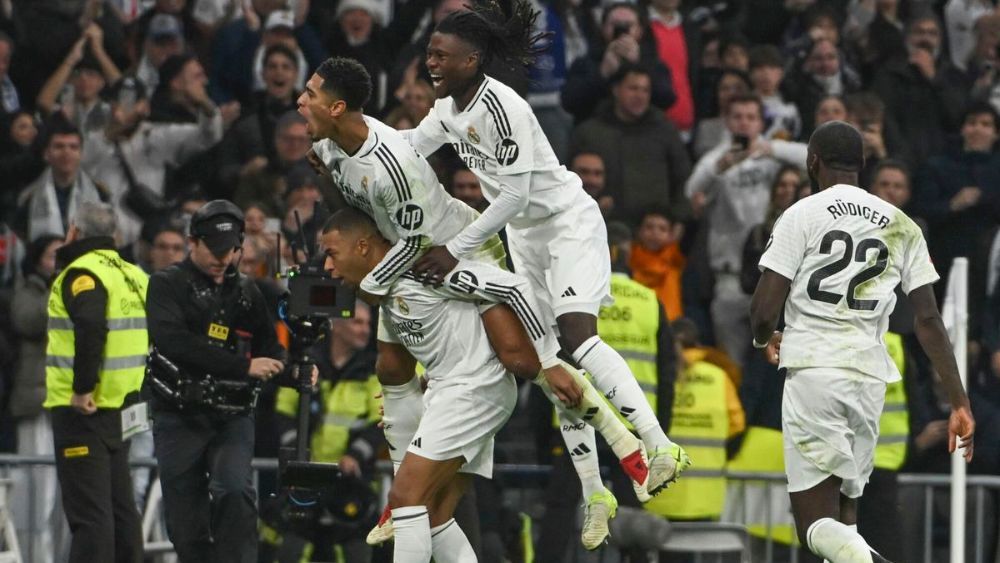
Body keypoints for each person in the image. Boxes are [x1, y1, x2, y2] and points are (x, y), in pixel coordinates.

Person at [298, 57, 651, 548]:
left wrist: (376, 281)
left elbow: (421, 241)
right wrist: (325, 177)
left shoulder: (395, 169)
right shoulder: (332, 147)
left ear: (337, 106)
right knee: (392, 369)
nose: (300, 100)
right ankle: (403, 493)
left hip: (452, 249)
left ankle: (625, 442)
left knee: (529, 358)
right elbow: (355, 211)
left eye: (310, 94)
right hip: (411, 263)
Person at [402, 0, 689, 502]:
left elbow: (512, 196)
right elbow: (406, 148)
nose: (431, 63)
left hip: (565, 222)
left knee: (578, 337)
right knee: (549, 359)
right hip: (525, 236)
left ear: (470, 61)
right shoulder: (447, 111)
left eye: (440, 55)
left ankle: (661, 444)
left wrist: (455, 249)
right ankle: (596, 490)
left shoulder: (504, 106)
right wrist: (350, 145)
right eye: (429, 53)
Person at [321, 207, 632, 562]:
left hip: (473, 391)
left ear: (362, 246)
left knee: (406, 497)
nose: (327, 268)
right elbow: (439, 344)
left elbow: (508, 292)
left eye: (332, 253)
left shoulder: (427, 267)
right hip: (454, 391)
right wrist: (424, 385)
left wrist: (547, 364)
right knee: (436, 514)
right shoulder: (387, 289)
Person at [749, 120, 976, 563]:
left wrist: (764, 341)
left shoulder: (803, 214)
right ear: (864, 164)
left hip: (815, 372)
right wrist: (959, 402)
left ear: (812, 161)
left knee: (814, 525)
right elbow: (927, 319)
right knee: (846, 522)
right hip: (870, 381)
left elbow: (762, 311)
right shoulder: (902, 224)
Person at [145, 199, 287, 563]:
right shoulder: (166, 285)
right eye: (215, 248)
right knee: (186, 523)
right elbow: (173, 342)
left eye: (232, 250)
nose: (223, 258)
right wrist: (243, 367)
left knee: (235, 491)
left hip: (231, 416)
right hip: (178, 414)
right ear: (193, 242)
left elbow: (271, 348)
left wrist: (295, 368)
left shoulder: (246, 292)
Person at [44, 202, 146, 563]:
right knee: (121, 514)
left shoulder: (81, 273)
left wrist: (83, 387)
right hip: (122, 410)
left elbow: (90, 324)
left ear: (75, 230)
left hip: (83, 411)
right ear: (113, 236)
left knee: (91, 520)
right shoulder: (133, 275)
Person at [9, 235, 66, 563]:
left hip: (67, 401)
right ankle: (33, 558)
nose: (58, 262)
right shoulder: (28, 291)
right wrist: (61, 286)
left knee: (62, 495)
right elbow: (29, 321)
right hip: (36, 403)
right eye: (52, 256)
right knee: (36, 490)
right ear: (36, 260)